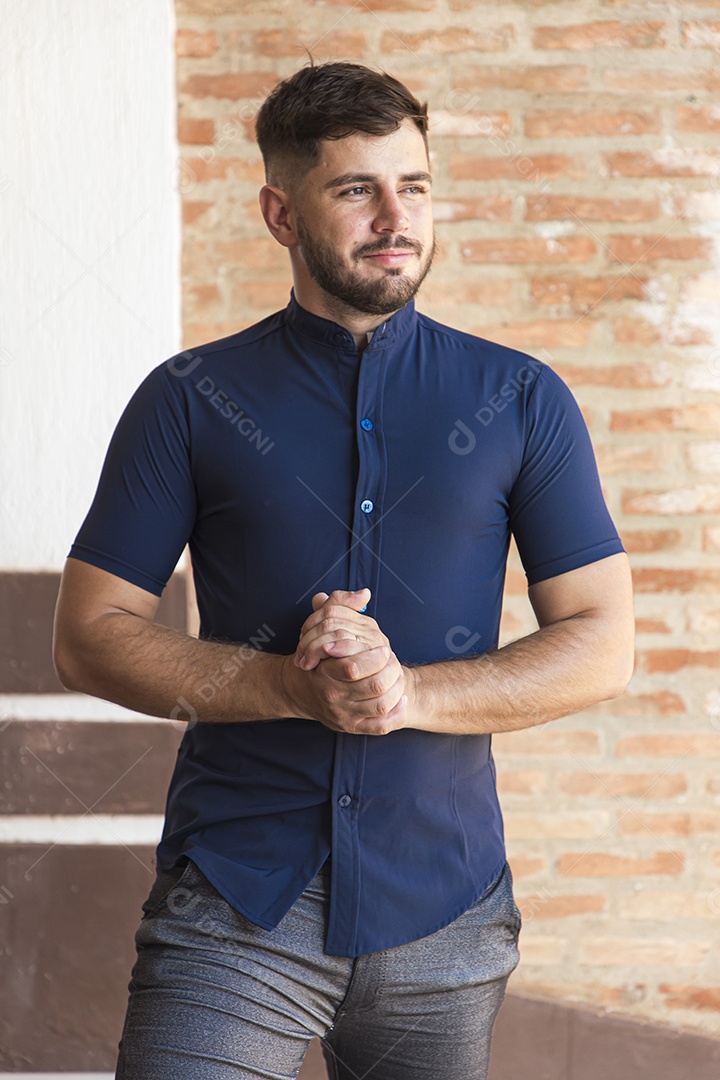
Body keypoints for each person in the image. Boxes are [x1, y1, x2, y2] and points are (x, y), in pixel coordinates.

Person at [53, 60, 635, 1080]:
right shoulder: (188, 399)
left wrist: (401, 693)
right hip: (233, 904)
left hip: (443, 909)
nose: (394, 218)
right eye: (356, 190)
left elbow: (601, 643)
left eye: (413, 185)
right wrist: (289, 684)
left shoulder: (521, 399)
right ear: (281, 213)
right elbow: (87, 634)